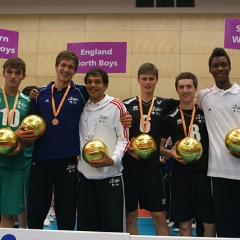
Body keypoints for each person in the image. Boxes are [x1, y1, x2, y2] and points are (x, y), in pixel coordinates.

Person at [27, 50, 132, 230]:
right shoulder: (40, 94)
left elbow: (103, 100)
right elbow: (31, 123)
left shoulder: (82, 93)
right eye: (63, 65)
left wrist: (127, 117)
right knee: (36, 214)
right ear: (56, 66)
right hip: (41, 161)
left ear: (75, 71)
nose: (66, 70)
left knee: (67, 215)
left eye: (70, 67)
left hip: (68, 163)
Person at [122, 62, 179, 236]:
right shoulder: (125, 105)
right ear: (138, 80)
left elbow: (189, 100)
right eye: (144, 79)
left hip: (152, 169)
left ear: (157, 80)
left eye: (151, 79)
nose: (147, 82)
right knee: (130, 216)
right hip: (130, 168)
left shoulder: (166, 104)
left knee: (160, 217)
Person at [160, 72, 215, 237]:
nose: (185, 90)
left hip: (206, 173)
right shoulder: (170, 118)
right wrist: (171, 153)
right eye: (181, 87)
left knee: (209, 223)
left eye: (189, 86)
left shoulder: (206, 113)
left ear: (195, 88)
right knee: (184, 225)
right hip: (181, 175)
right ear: (177, 90)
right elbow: (160, 147)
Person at [77, 68, 128, 232]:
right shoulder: (81, 105)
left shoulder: (116, 105)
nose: (93, 85)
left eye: (97, 81)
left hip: (111, 177)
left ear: (105, 85)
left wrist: (112, 160)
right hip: (86, 179)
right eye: (89, 82)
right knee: (87, 230)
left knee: (112, 231)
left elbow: (124, 139)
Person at [196, 47, 240, 238]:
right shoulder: (204, 96)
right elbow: (185, 108)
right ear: (210, 70)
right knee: (223, 223)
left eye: (223, 64)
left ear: (229, 66)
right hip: (218, 171)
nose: (220, 68)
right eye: (215, 66)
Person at [0, 58, 37, 228]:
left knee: (8, 216)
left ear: (23, 76)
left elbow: (31, 136)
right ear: (3, 73)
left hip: (14, 164)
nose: (13, 76)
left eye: (17, 73)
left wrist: (19, 146)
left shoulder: (27, 102)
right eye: (9, 71)